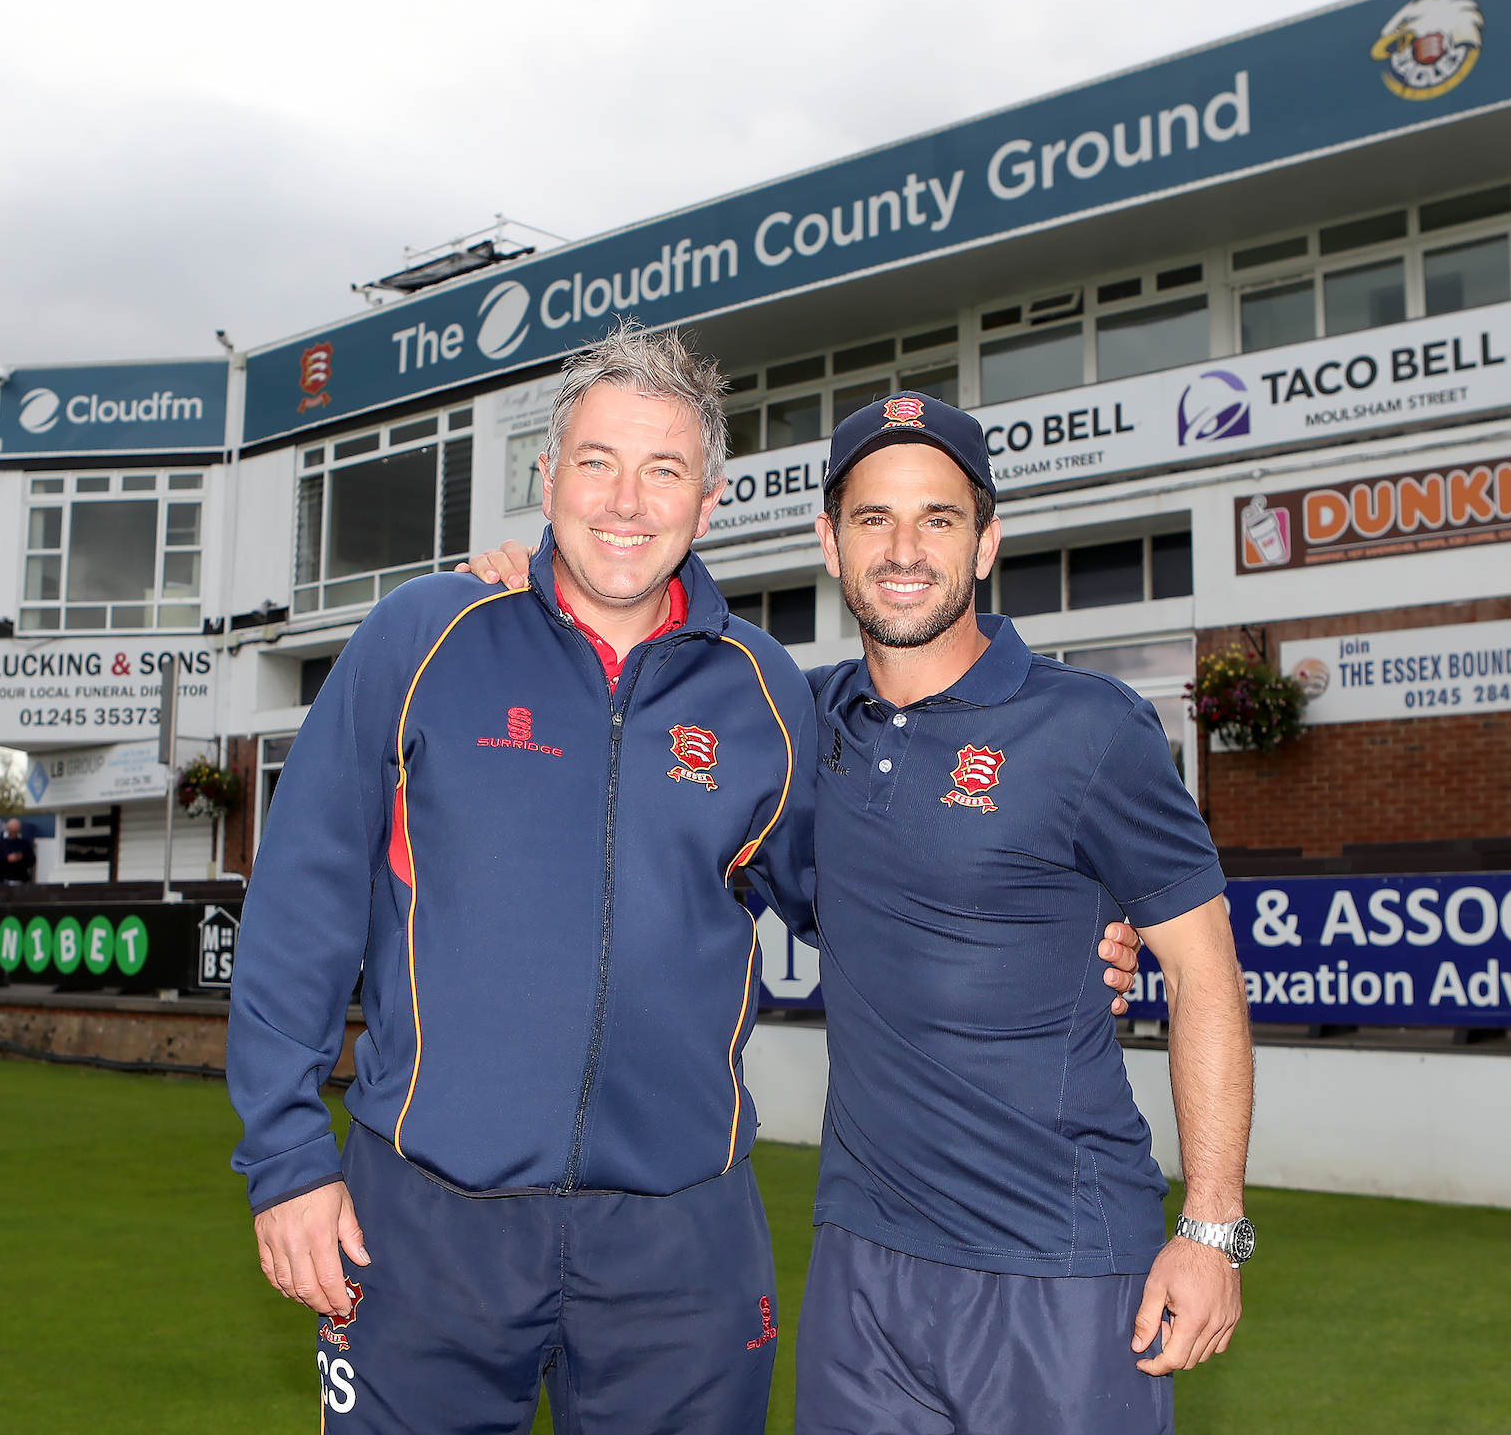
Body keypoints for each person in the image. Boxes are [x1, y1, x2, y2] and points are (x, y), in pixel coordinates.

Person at [236, 328, 1109, 1435]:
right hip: (425, 1220)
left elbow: (873, 897)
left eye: (665, 471)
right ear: (545, 478)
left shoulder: (766, 694)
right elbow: (301, 902)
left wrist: (1064, 928)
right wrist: (284, 1159)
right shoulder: (425, 635)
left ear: (710, 502)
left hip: (679, 1243)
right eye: (597, 460)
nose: (626, 502)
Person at [473, 392, 1245, 1433]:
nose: (905, 549)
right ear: (829, 541)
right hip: (861, 1267)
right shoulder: (798, 719)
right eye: (874, 518)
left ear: (987, 542)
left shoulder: (1091, 725)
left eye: (939, 517)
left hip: (1058, 1264)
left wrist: (1212, 1226)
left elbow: (1204, 971)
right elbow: (643, 700)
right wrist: (534, 593)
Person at [0, 817, 35, 886]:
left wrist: (21, 857)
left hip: (21, 881)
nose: (14, 834)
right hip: (2, 882)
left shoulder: (25, 842)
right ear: (8, 829)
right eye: (12, 831)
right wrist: (6, 858)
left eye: (16, 832)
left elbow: (32, 860)